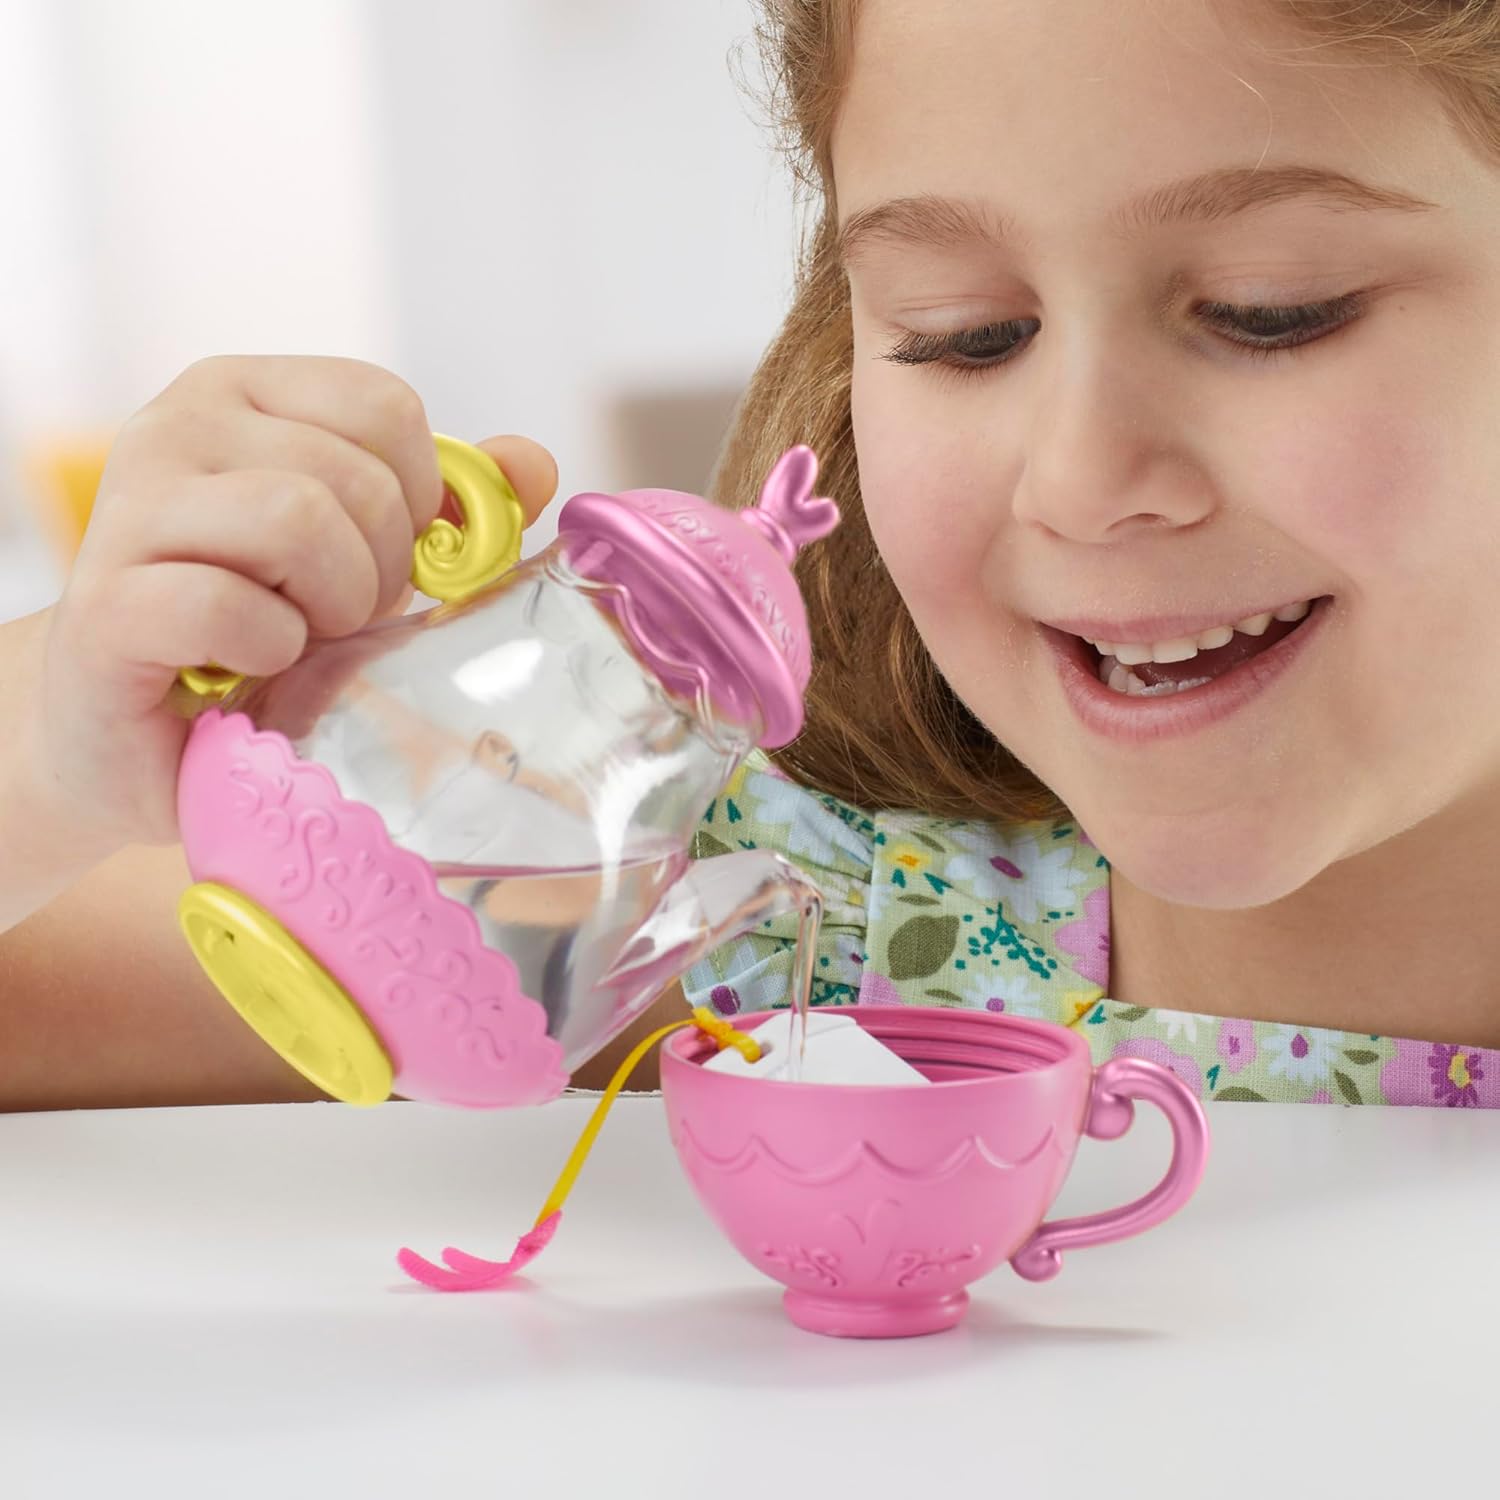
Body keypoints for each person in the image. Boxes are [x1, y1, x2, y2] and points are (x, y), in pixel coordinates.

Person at [4, 0, 1498, 1110]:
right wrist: (65, 757)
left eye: (1272, 310)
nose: (1081, 479)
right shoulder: (795, 938)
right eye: (966, 334)